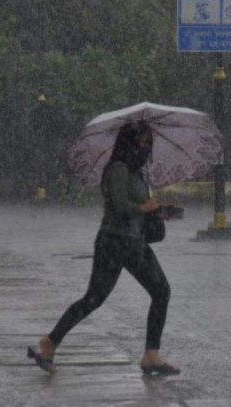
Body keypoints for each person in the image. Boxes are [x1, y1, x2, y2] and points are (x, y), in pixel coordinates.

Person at [28, 121, 180, 375]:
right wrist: (144, 207)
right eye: (143, 142)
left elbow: (138, 207)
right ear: (130, 143)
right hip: (114, 242)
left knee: (161, 290)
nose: (146, 148)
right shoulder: (117, 169)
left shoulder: (137, 173)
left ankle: (151, 354)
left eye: (149, 143)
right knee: (94, 298)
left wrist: (157, 211)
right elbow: (120, 206)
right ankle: (50, 342)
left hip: (134, 242)